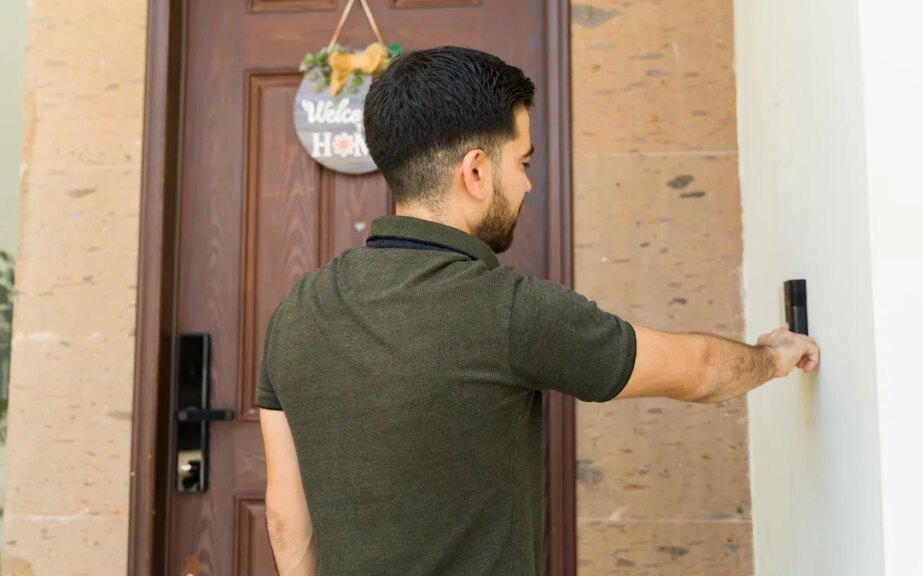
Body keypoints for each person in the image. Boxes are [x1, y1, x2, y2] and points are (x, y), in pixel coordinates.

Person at [257, 46, 819, 576]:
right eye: (522, 162)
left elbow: (286, 516)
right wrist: (773, 354)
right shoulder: (506, 311)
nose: (527, 184)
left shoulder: (296, 312)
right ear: (475, 172)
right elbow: (694, 369)